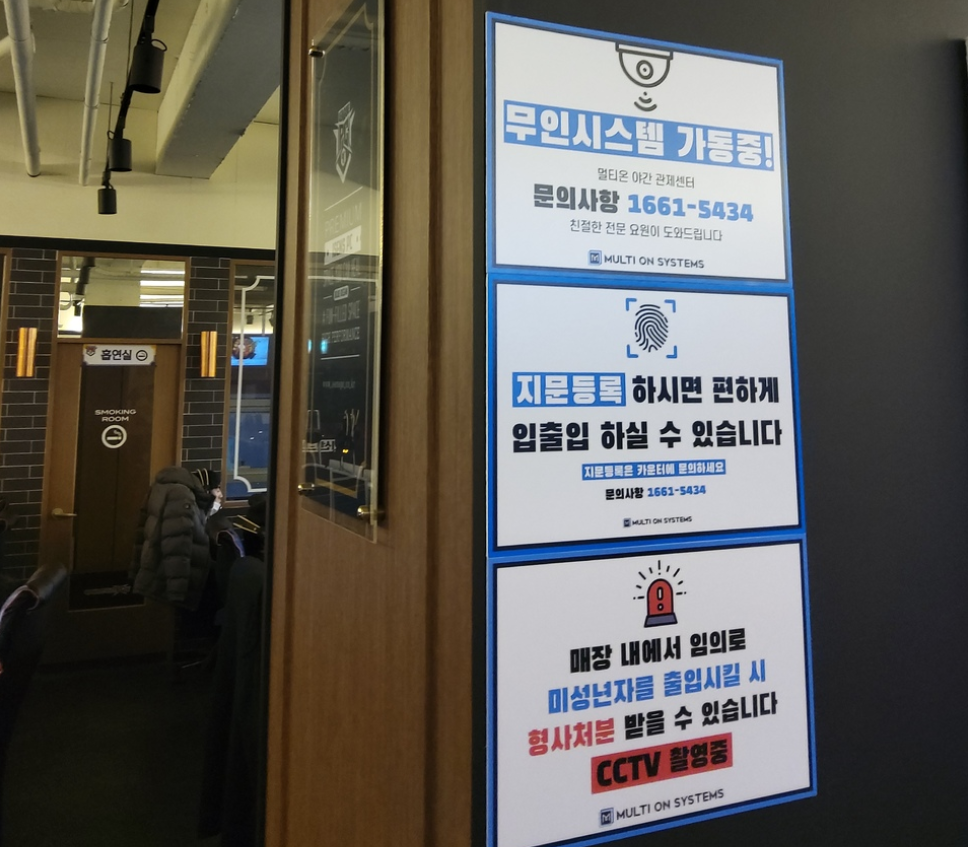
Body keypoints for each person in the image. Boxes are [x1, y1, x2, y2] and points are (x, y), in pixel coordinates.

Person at [129, 467, 222, 610]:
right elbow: (178, 545)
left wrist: (135, 570)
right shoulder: (182, 495)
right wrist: (177, 592)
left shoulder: (164, 487)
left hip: (155, 570)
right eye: (217, 489)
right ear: (207, 487)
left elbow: (142, 531)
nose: (220, 494)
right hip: (169, 583)